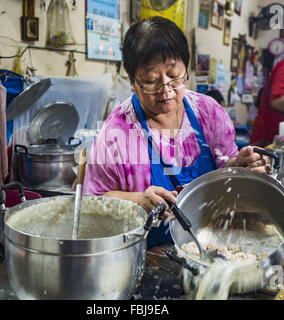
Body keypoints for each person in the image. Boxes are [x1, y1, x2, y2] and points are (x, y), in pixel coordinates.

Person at [83, 16, 271, 249]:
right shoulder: (117, 132)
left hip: (212, 245)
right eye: (152, 81)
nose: (166, 90)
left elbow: (224, 169)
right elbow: (92, 201)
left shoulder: (208, 112)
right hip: (149, 253)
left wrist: (239, 166)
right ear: (133, 82)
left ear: (186, 68)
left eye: (174, 77)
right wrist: (138, 200)